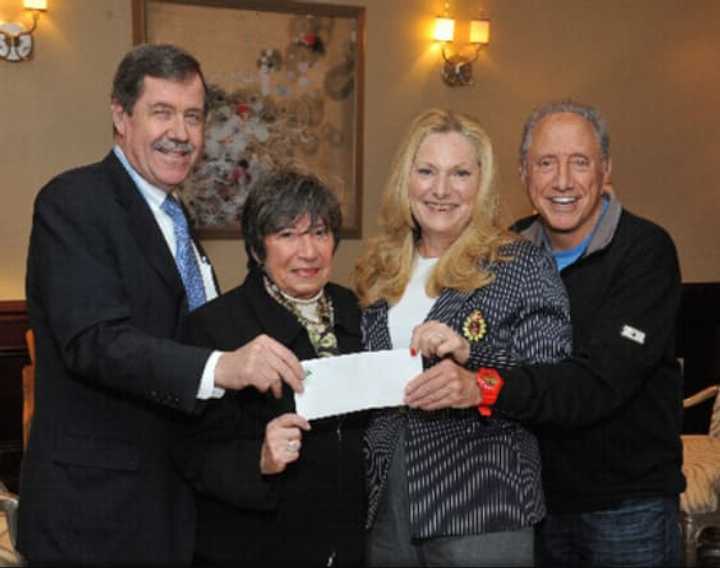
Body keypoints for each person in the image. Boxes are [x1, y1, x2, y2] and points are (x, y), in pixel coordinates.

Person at [19, 44, 303, 565]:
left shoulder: (177, 222)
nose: (181, 133)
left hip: (170, 508)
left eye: (193, 117)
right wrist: (225, 366)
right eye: (162, 112)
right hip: (94, 517)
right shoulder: (74, 203)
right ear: (121, 117)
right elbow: (95, 342)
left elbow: (188, 339)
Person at [353, 108, 573, 567]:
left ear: (482, 184)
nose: (440, 190)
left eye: (460, 174)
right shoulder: (379, 267)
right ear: (405, 179)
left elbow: (555, 380)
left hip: (482, 499)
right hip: (387, 499)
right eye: (427, 171)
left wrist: (475, 361)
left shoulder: (520, 264)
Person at [477, 100, 685, 566]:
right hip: (534, 505)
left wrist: (485, 386)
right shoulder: (506, 253)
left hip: (628, 508)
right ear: (524, 174)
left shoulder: (645, 252)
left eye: (580, 162)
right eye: (546, 163)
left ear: (605, 170)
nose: (563, 181)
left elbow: (598, 382)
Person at [174, 169, 366, 567]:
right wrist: (258, 459)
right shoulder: (214, 327)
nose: (308, 252)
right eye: (287, 235)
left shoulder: (357, 311)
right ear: (258, 248)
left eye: (320, 232)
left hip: (348, 545)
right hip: (254, 547)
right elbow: (189, 454)